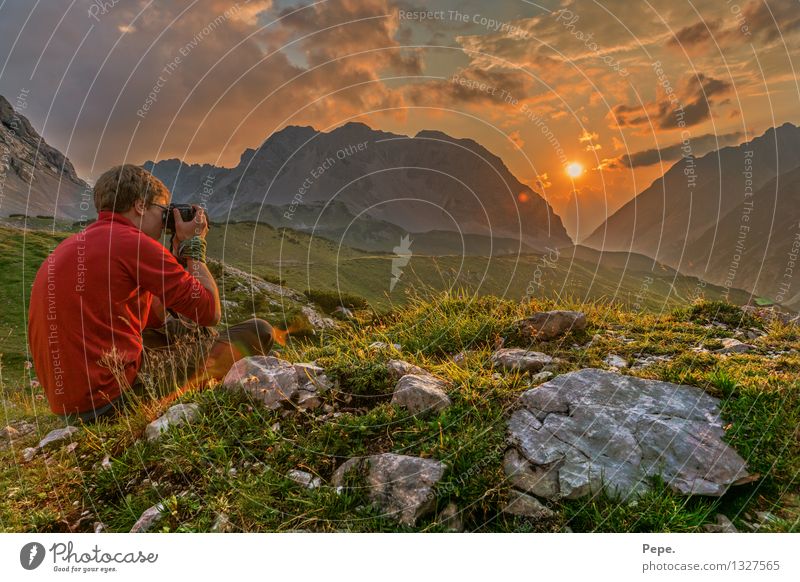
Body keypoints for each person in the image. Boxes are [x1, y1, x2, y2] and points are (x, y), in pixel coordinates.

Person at [27, 164, 274, 424]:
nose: (165, 219)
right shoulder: (133, 243)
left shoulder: (72, 244)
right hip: (114, 400)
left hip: (71, 407)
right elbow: (210, 311)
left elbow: (158, 318)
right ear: (140, 206)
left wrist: (176, 253)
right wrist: (194, 246)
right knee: (259, 331)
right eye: (163, 210)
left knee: (185, 332)